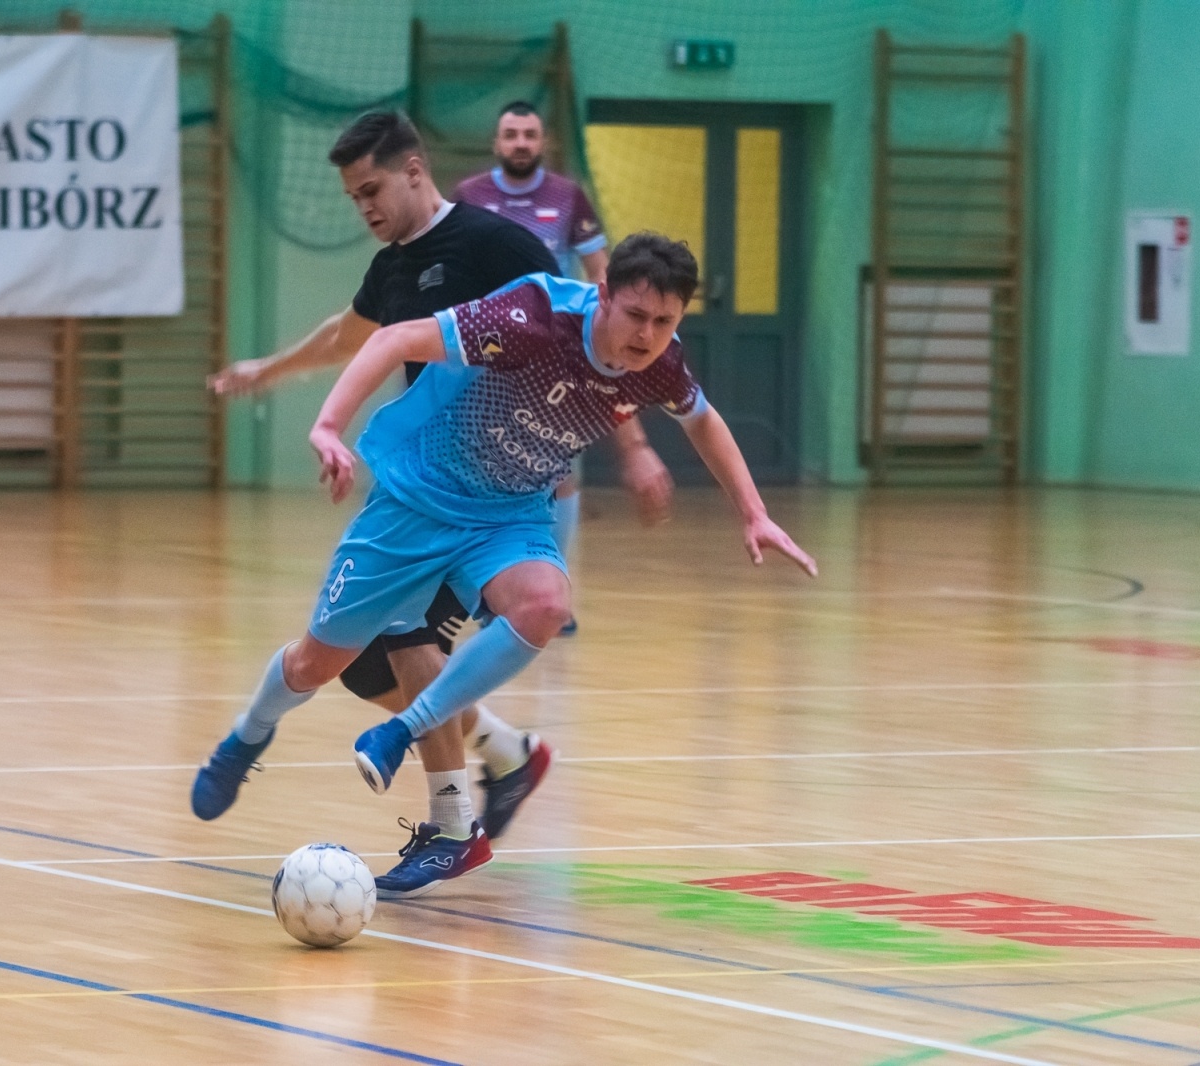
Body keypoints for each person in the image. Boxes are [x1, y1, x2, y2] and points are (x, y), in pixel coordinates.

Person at [204, 232, 815, 849]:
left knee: (546, 604)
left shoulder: (661, 360)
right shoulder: (534, 317)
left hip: (511, 513)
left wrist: (754, 512)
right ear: (602, 295)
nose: (647, 334)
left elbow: (702, 419)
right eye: (635, 315)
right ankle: (247, 735)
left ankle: (409, 743)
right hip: (421, 495)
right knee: (316, 663)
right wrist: (330, 426)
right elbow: (391, 338)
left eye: (665, 321)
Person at [196, 110, 672, 899]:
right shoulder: (393, 267)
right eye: (354, 198)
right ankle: (509, 755)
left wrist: (632, 449)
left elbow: (607, 346)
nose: (365, 208)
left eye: (372, 189)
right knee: (361, 666)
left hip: (500, 497)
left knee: (405, 639)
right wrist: (269, 370)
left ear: (415, 170)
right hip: (429, 484)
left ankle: (454, 825)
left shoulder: (498, 248)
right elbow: (347, 336)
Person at [454, 100, 612, 635]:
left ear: (541, 142)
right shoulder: (470, 196)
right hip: (481, 356)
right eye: (511, 134)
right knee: (477, 474)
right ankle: (485, 593)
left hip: (549, 357)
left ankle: (553, 591)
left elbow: (600, 273)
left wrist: (595, 333)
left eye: (529, 134)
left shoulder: (567, 197)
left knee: (559, 476)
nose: (520, 142)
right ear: (497, 143)